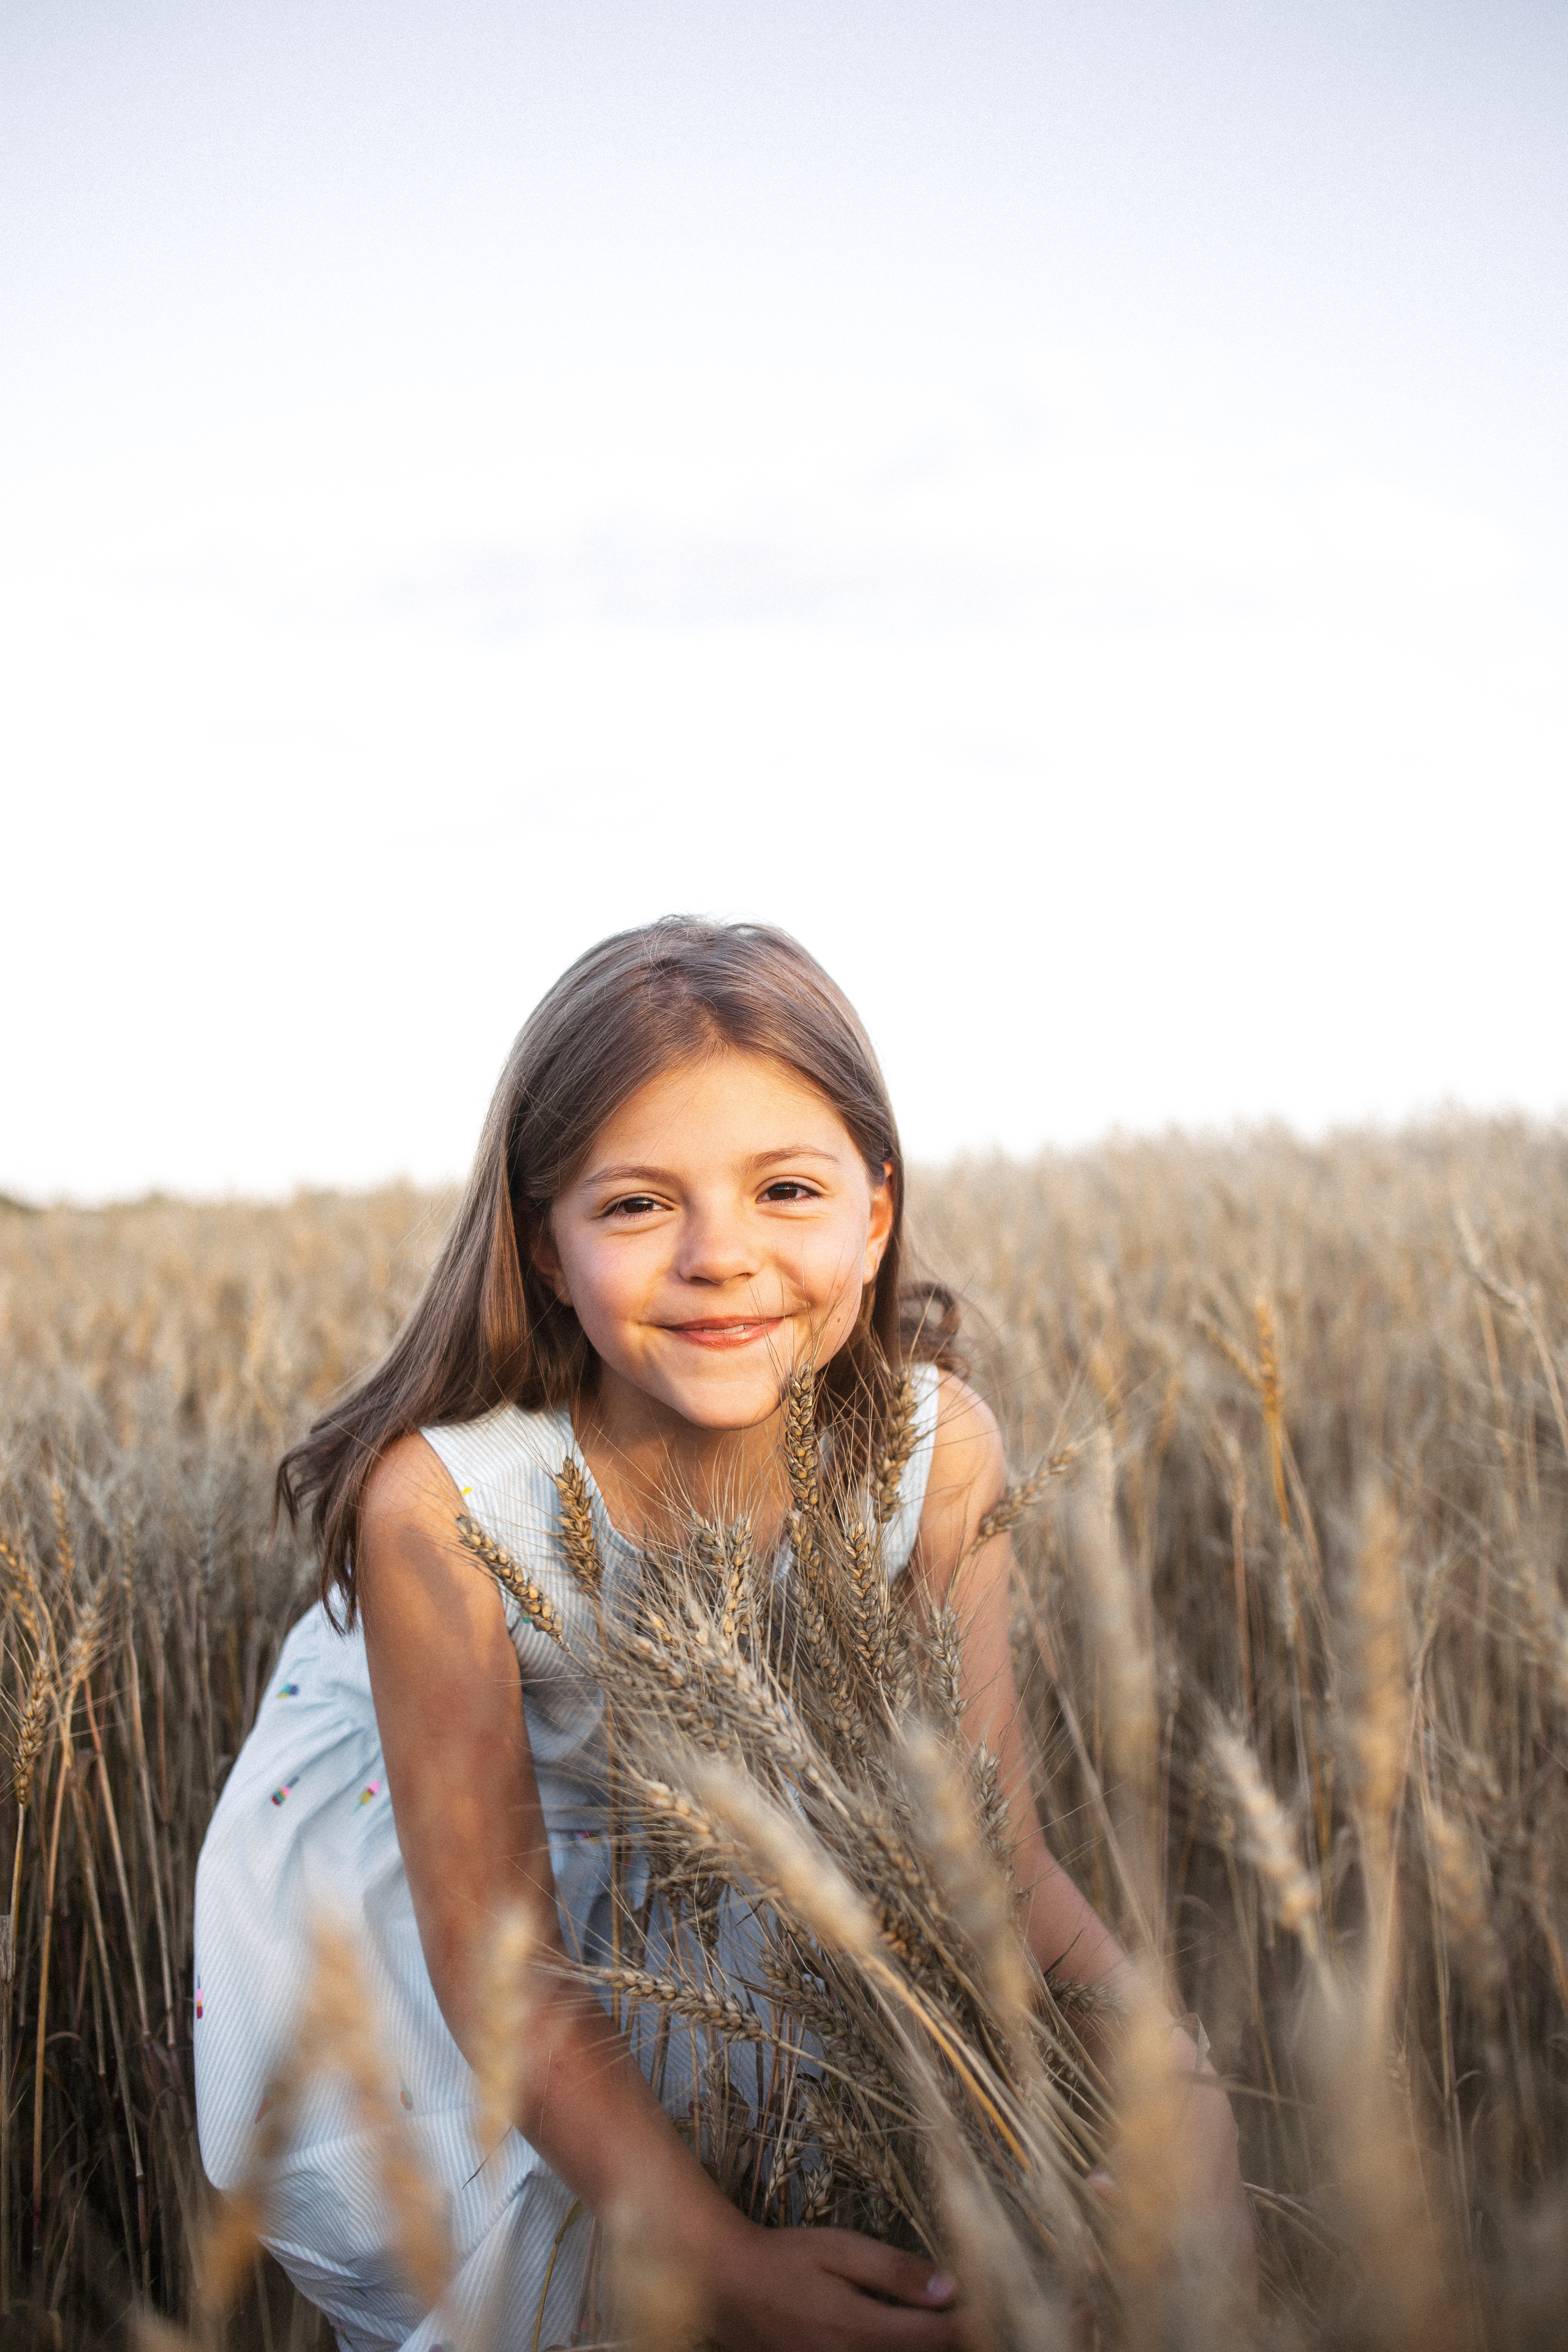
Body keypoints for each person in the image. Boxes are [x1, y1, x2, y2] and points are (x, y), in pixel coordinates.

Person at [194, 917, 1250, 2352]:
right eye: (634, 1206)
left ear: (874, 1216)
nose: (719, 1257)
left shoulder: (931, 1457)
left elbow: (989, 1857)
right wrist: (717, 2263)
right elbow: (501, 1967)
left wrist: (1171, 2072)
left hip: (729, 1823)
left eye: (786, 1190)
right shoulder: (438, 1511)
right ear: (544, 1249)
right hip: (468, 1879)